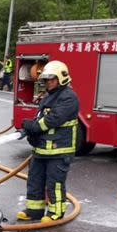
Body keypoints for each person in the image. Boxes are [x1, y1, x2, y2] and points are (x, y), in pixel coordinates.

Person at [16, 60, 79, 223]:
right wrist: (30, 132)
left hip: (59, 151)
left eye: (52, 79)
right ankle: (34, 211)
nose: (48, 83)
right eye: (46, 80)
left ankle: (56, 212)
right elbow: (40, 118)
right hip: (41, 150)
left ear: (61, 78)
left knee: (54, 183)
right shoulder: (48, 96)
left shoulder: (69, 98)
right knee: (34, 181)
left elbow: (52, 120)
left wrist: (34, 127)